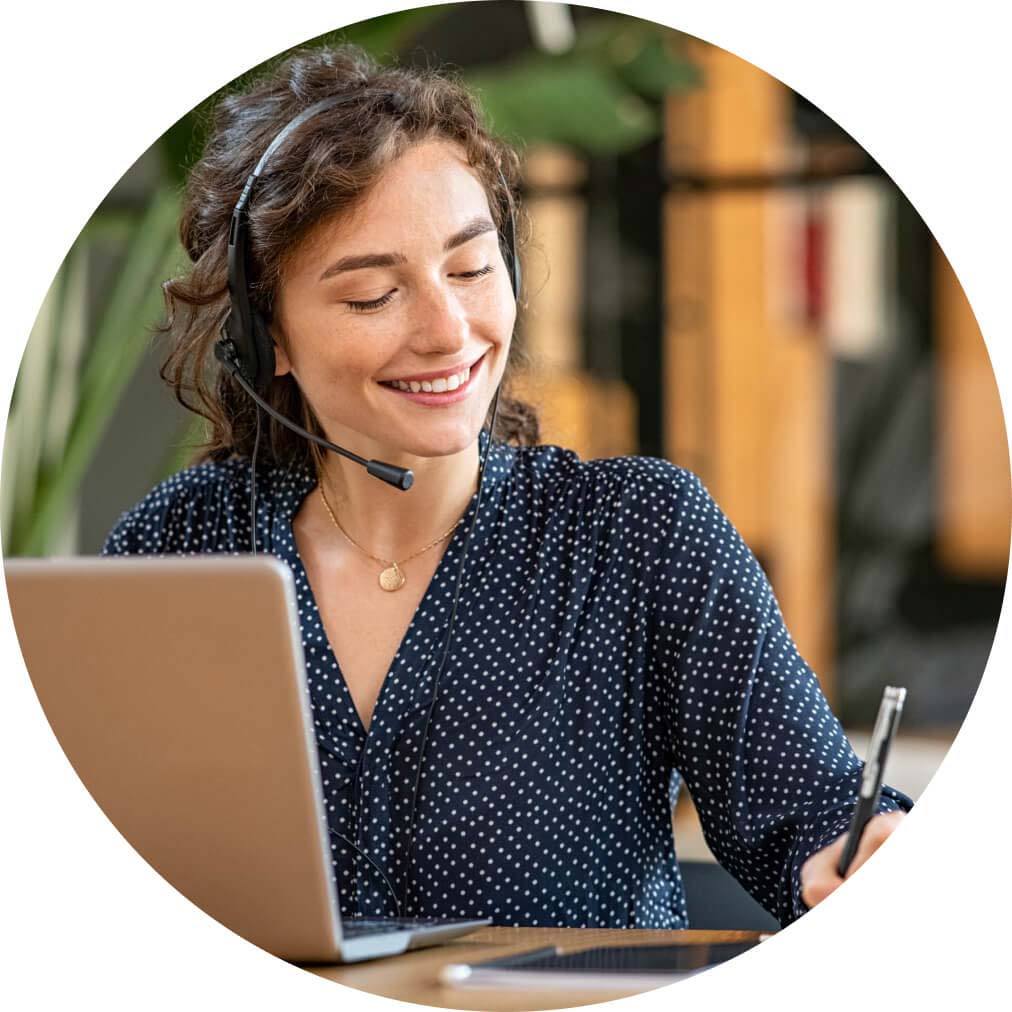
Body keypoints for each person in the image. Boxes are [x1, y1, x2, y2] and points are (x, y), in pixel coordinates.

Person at [103, 44, 912, 929]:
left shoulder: (641, 536)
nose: (447, 332)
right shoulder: (176, 548)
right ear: (270, 342)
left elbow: (818, 817)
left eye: (470, 268)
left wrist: (866, 849)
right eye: (373, 295)